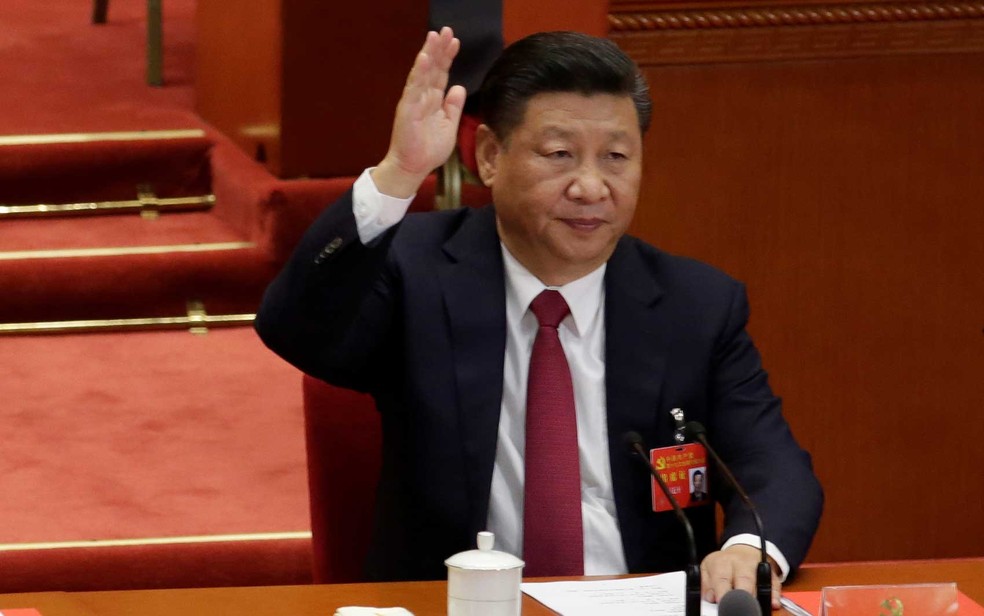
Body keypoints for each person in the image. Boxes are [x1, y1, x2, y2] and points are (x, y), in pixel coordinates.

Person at [255, 27, 823, 608]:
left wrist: (752, 547)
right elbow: (295, 327)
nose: (590, 186)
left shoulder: (695, 304)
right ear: (491, 158)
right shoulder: (417, 269)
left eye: (617, 158)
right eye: (559, 155)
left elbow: (774, 469)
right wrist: (399, 173)